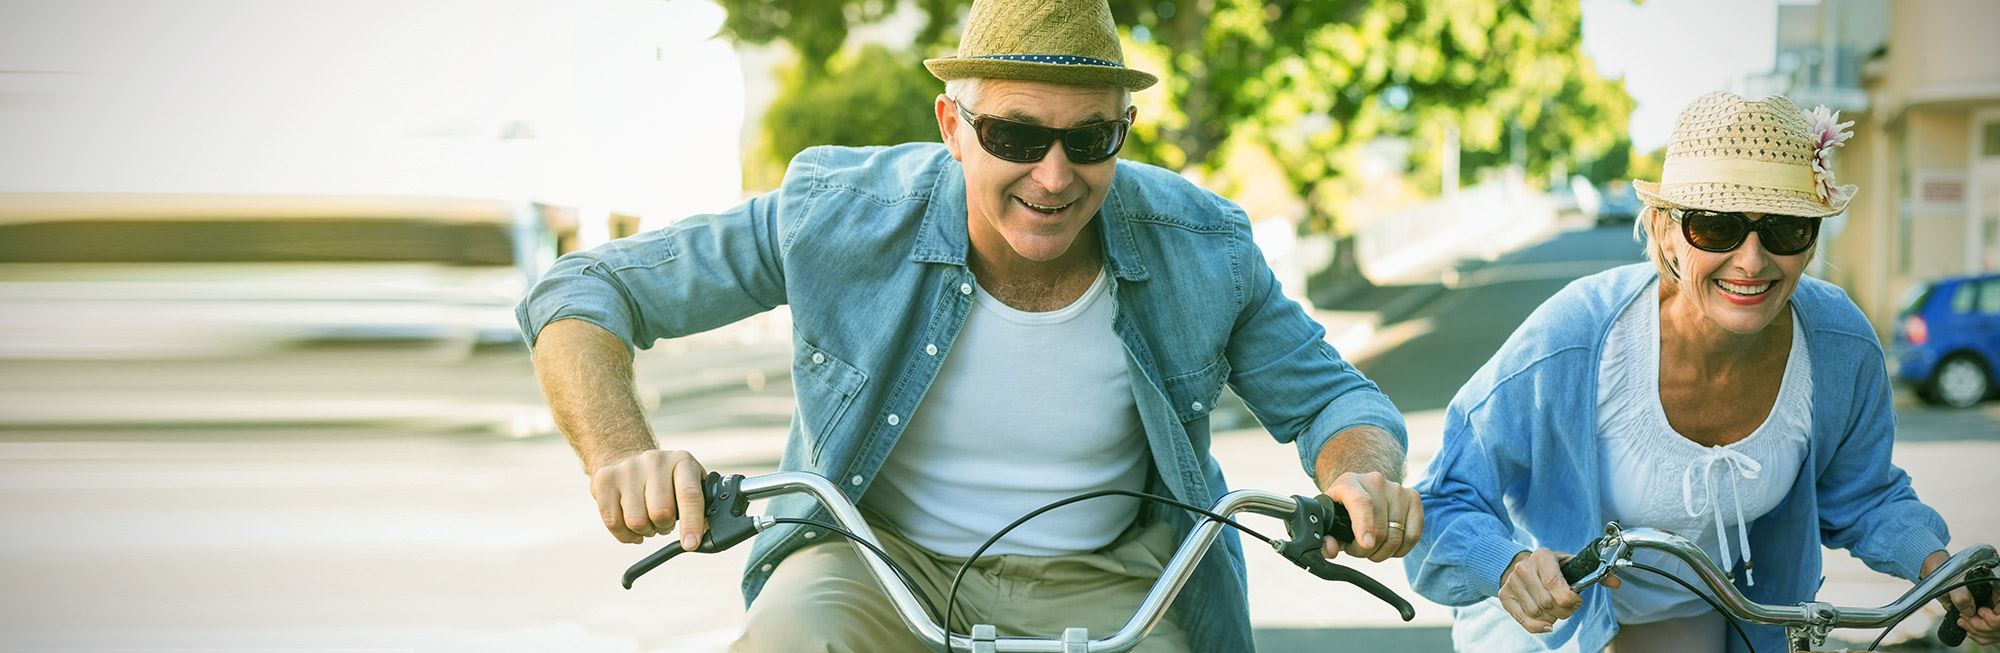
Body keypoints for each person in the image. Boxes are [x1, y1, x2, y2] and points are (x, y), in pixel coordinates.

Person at [516, 1, 1421, 650]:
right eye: (1019, 138)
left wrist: (1362, 479)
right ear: (954, 126)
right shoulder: (838, 213)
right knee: (791, 634)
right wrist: (619, 454)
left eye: (1091, 140)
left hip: (1114, 581)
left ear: (1125, 132)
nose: (1055, 175)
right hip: (877, 564)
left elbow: (1335, 400)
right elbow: (584, 290)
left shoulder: (1202, 244)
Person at [1403, 91, 2000, 651]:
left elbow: (1864, 494)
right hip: (1549, 630)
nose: (1751, 260)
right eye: (1716, 226)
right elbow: (1447, 499)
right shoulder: (1573, 340)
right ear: (1665, 229)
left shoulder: (1839, 342)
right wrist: (1507, 567)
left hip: (1695, 623)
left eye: (1785, 228)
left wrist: (1939, 567)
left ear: (1812, 239)